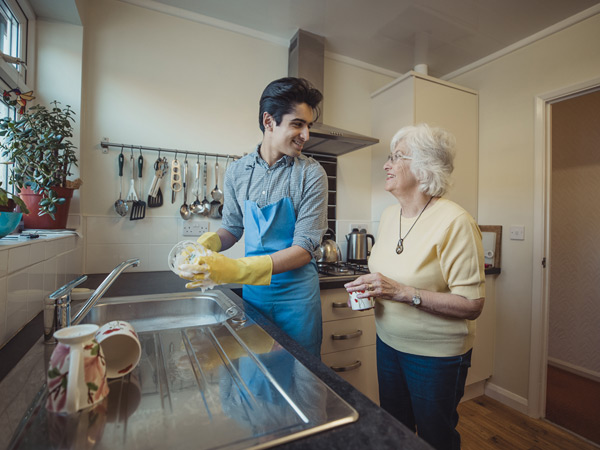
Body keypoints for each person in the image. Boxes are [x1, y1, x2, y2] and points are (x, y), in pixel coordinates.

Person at [344, 123, 485, 450]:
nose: (386, 165)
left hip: (434, 355)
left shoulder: (455, 221)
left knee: (436, 436)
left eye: (396, 157)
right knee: (395, 429)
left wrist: (402, 292)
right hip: (388, 343)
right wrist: (373, 288)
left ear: (424, 167)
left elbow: (472, 305)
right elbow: (390, 272)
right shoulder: (390, 215)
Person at [179, 77, 328, 357]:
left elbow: (305, 249)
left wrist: (238, 270)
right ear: (269, 121)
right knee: (258, 374)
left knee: (302, 378)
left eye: (309, 126)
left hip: (297, 301)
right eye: (297, 124)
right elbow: (233, 228)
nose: (306, 135)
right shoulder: (237, 171)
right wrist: (208, 243)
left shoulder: (311, 174)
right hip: (255, 297)